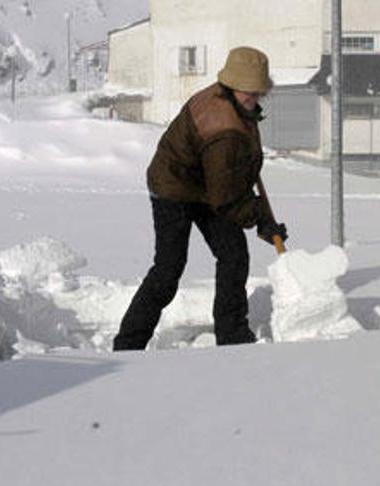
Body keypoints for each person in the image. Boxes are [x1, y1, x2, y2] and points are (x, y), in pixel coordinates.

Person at [113, 46, 287, 351]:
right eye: (249, 92)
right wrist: (258, 217)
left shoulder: (233, 103)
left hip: (207, 184)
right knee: (168, 268)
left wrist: (261, 217)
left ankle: (233, 336)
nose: (254, 98)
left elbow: (231, 177)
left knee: (233, 254)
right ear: (231, 85)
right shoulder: (223, 127)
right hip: (173, 187)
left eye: (258, 92)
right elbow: (226, 199)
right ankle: (128, 345)